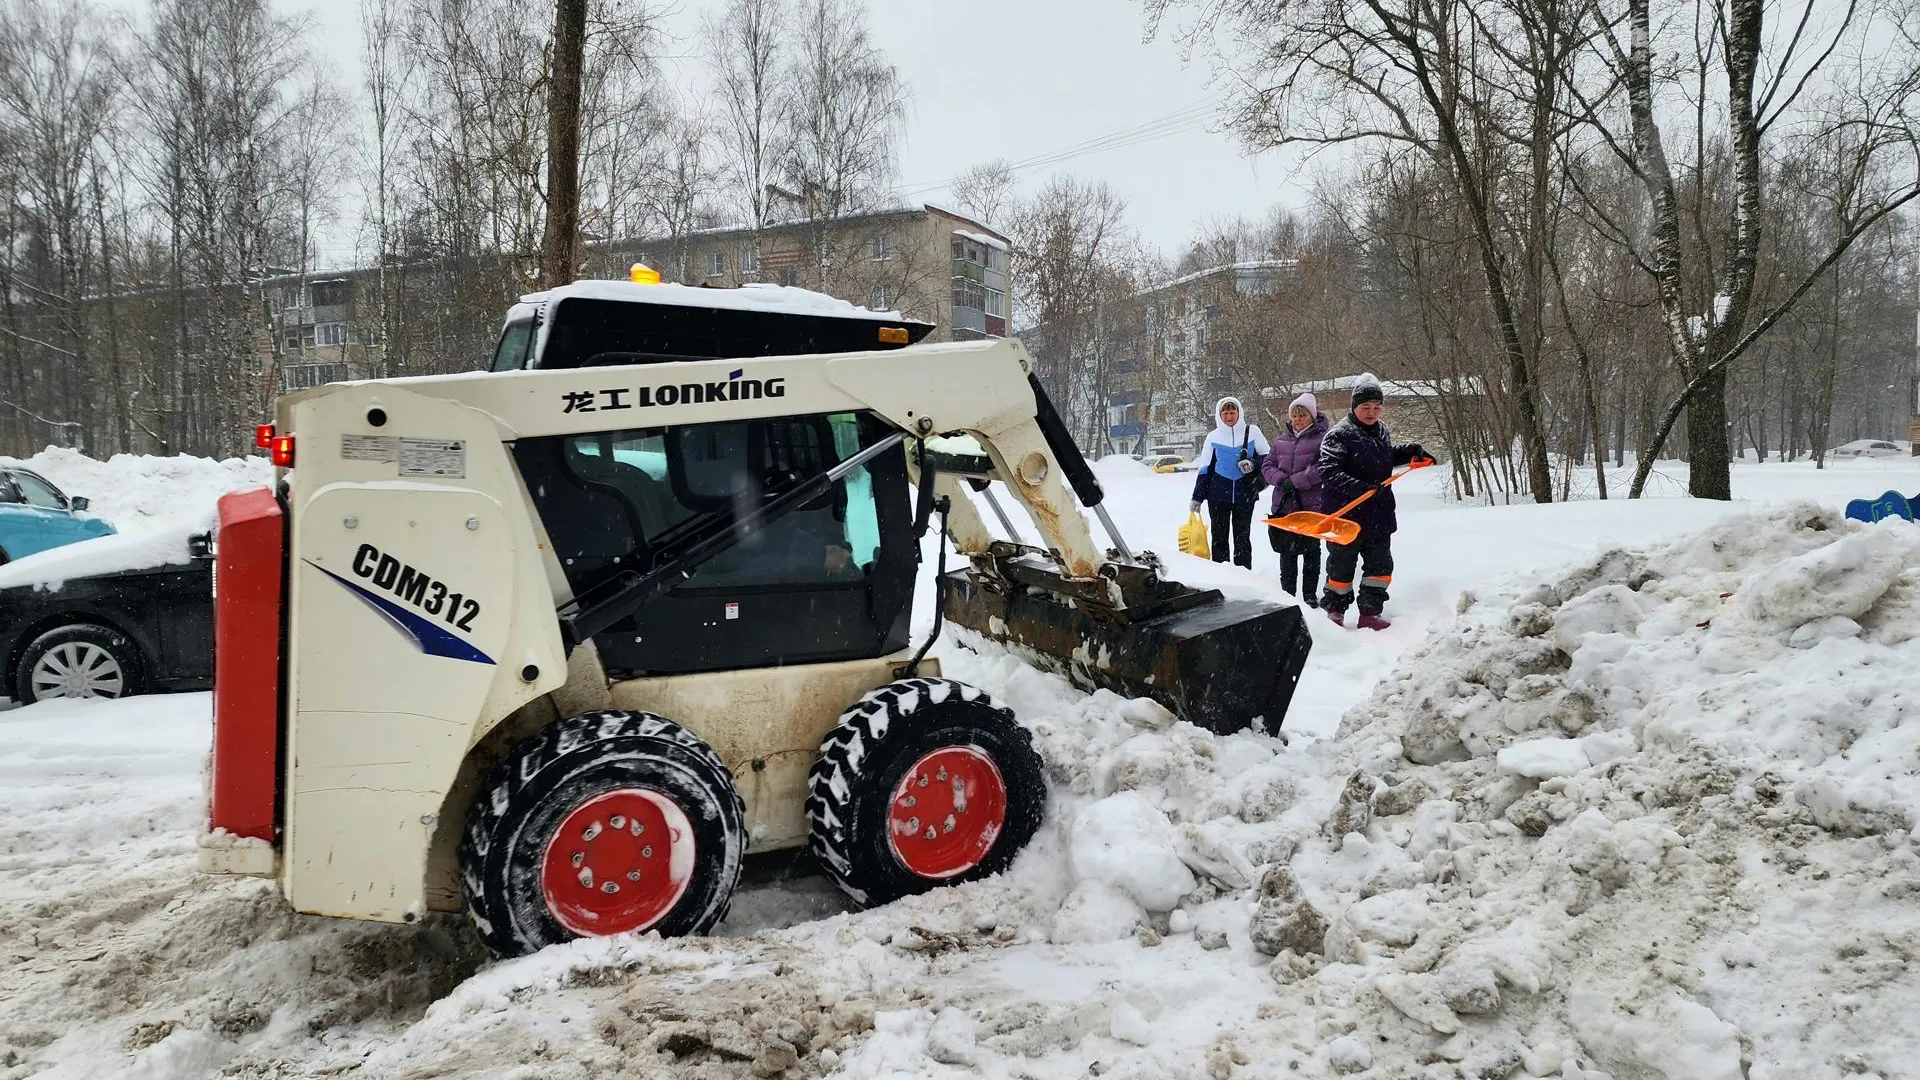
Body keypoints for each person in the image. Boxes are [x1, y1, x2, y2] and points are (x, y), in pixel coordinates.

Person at [1317, 376, 1425, 629]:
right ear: (1354, 407)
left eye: (1377, 407)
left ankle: (1370, 613)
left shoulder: (1381, 430)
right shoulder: (1338, 435)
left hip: (1378, 514)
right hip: (1346, 516)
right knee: (1341, 567)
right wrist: (1361, 488)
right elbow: (1329, 472)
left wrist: (1410, 452)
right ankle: (1335, 611)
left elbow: (1383, 457)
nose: (1371, 412)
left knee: (1380, 566)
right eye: (1366, 407)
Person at [1188, 396, 1270, 569]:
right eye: (1225, 413)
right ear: (1219, 415)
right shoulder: (1213, 437)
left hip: (1245, 494)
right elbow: (1205, 469)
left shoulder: (1253, 432)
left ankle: (1244, 574)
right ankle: (1221, 574)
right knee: (1219, 538)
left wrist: (1252, 464)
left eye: (1232, 412)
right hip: (1217, 496)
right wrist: (1197, 497)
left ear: (1239, 413)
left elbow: (1269, 458)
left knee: (1242, 538)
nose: (1229, 416)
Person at [1263, 393, 1329, 606]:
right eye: (1295, 415)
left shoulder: (1324, 439)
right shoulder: (1281, 441)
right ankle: (1288, 594)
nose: (1298, 419)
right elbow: (1267, 466)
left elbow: (1324, 468)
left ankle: (1309, 595)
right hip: (1284, 505)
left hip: (1311, 506)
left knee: (1311, 551)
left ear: (1312, 416)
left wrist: (1297, 481)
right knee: (1287, 551)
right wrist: (1281, 480)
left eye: (1303, 415)